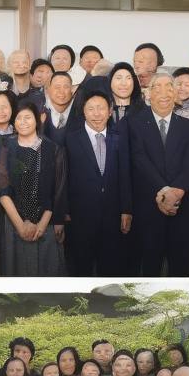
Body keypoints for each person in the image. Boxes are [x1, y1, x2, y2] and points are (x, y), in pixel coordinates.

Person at [128, 72, 189, 276]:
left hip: (181, 206)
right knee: (150, 266)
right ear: (148, 93)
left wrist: (176, 193)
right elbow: (139, 159)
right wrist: (164, 191)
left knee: (180, 267)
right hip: (149, 207)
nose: (164, 92)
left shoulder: (187, 126)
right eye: (157, 87)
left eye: (169, 86)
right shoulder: (135, 123)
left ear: (176, 92)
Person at [64, 89, 132, 276]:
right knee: (81, 271)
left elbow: (125, 175)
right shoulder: (71, 139)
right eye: (91, 109)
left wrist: (126, 210)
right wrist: (66, 212)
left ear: (110, 111)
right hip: (80, 217)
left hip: (112, 216)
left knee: (110, 271)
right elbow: (65, 177)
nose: (96, 114)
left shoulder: (119, 138)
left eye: (101, 108)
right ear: (84, 111)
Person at [0, 101, 66, 277]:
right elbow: (3, 190)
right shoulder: (7, 147)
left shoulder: (53, 149)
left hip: (45, 225)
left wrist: (41, 226)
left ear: (37, 120)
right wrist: (20, 225)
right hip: (14, 225)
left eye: (28, 117)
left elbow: (56, 192)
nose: (23, 122)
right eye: (18, 118)